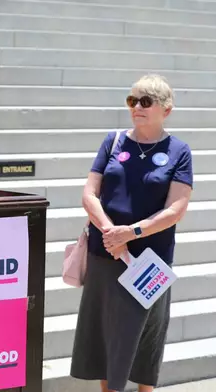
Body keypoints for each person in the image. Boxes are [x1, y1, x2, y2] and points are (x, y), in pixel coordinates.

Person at [70, 74, 193, 392]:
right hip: (106, 254)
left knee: (143, 339)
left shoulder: (179, 150)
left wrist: (132, 232)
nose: (137, 107)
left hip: (149, 262)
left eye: (146, 101)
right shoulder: (112, 140)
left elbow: (176, 209)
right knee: (105, 340)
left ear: (166, 110)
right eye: (132, 100)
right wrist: (111, 232)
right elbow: (89, 193)